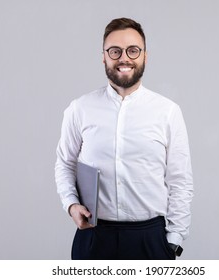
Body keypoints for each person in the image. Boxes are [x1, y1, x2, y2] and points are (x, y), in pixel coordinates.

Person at [55, 17, 194, 260]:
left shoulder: (168, 112)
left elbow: (180, 180)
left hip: (150, 238)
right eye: (115, 51)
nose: (124, 58)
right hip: (94, 236)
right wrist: (70, 204)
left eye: (133, 50)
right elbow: (65, 163)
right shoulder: (80, 108)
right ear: (103, 56)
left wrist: (173, 239)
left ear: (145, 56)